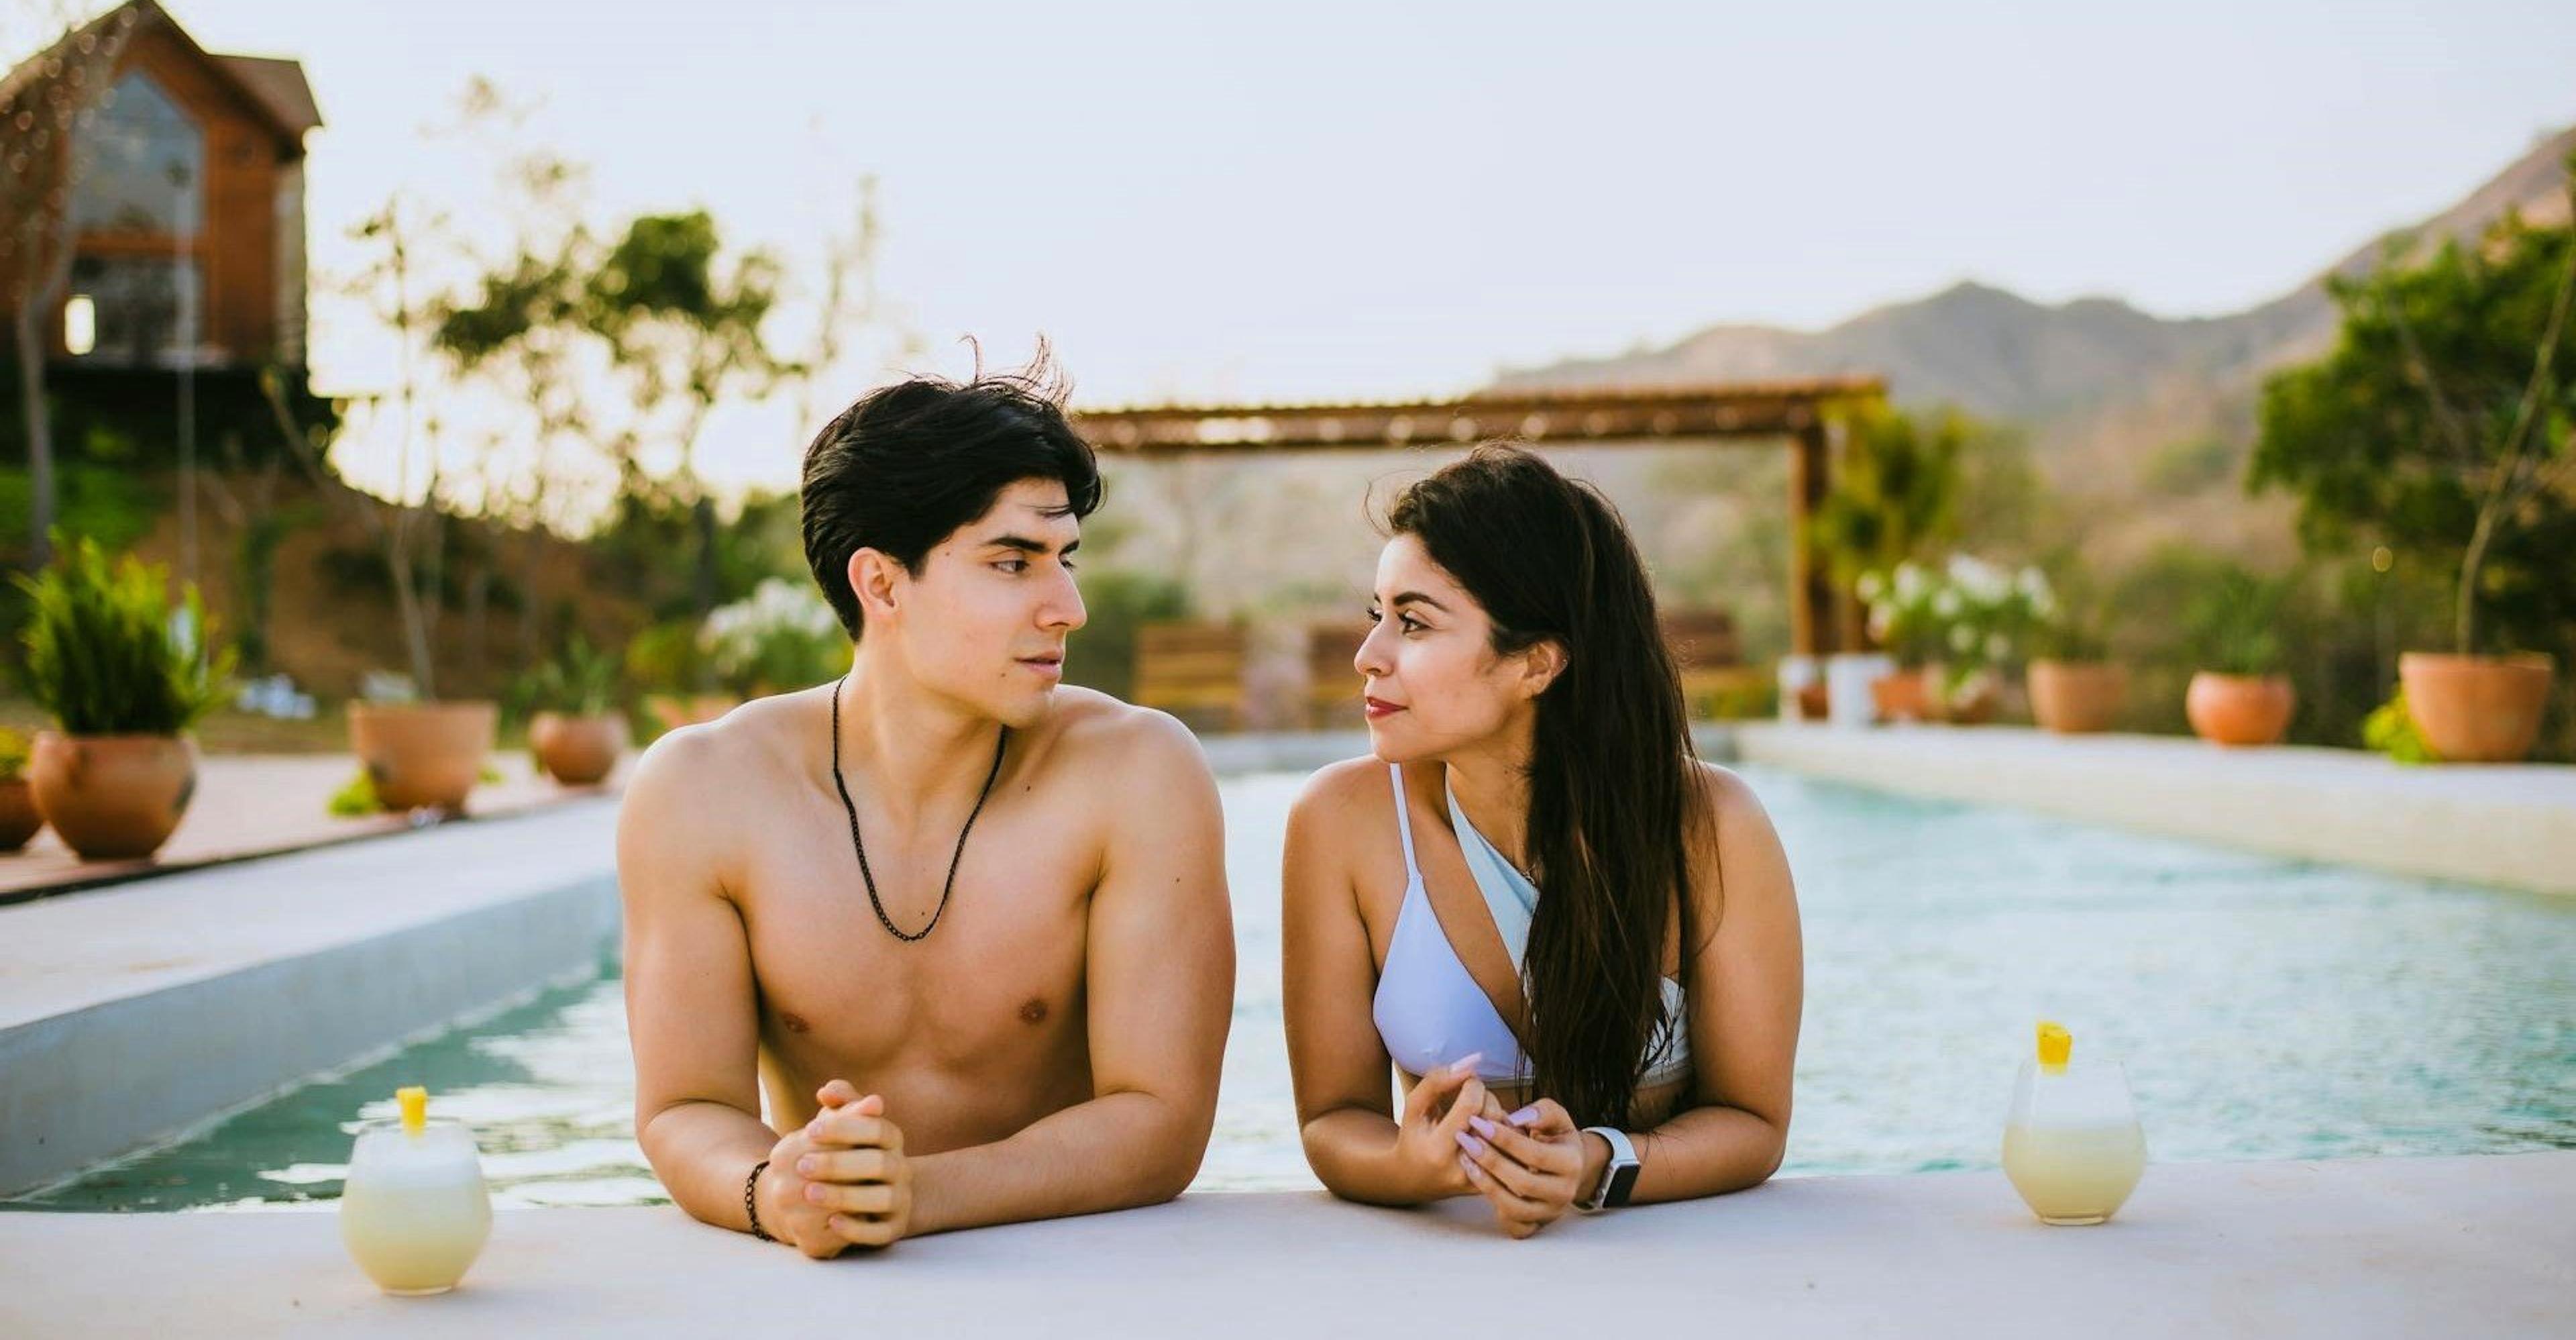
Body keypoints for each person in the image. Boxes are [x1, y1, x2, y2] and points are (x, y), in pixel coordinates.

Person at [618, 362, 1234, 1257]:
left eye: (1065, 561)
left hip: (1072, 1272)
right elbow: (687, 1107)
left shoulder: (1137, 772)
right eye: (1012, 562)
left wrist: (912, 1196)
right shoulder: (705, 791)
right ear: (882, 584)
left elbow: (1161, 1121)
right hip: (833, 1294)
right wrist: (773, 1192)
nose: (1069, 608)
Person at [1283, 444, 1803, 1237]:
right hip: (1453, 1270)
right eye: (1376, 615)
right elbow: (1332, 1118)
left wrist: (1598, 1163)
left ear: (1536, 662)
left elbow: (1754, 1122)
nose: (1369, 656)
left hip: (1664, 1266)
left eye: (1413, 623)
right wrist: (1405, 1166)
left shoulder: (1711, 827)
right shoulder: (1341, 822)